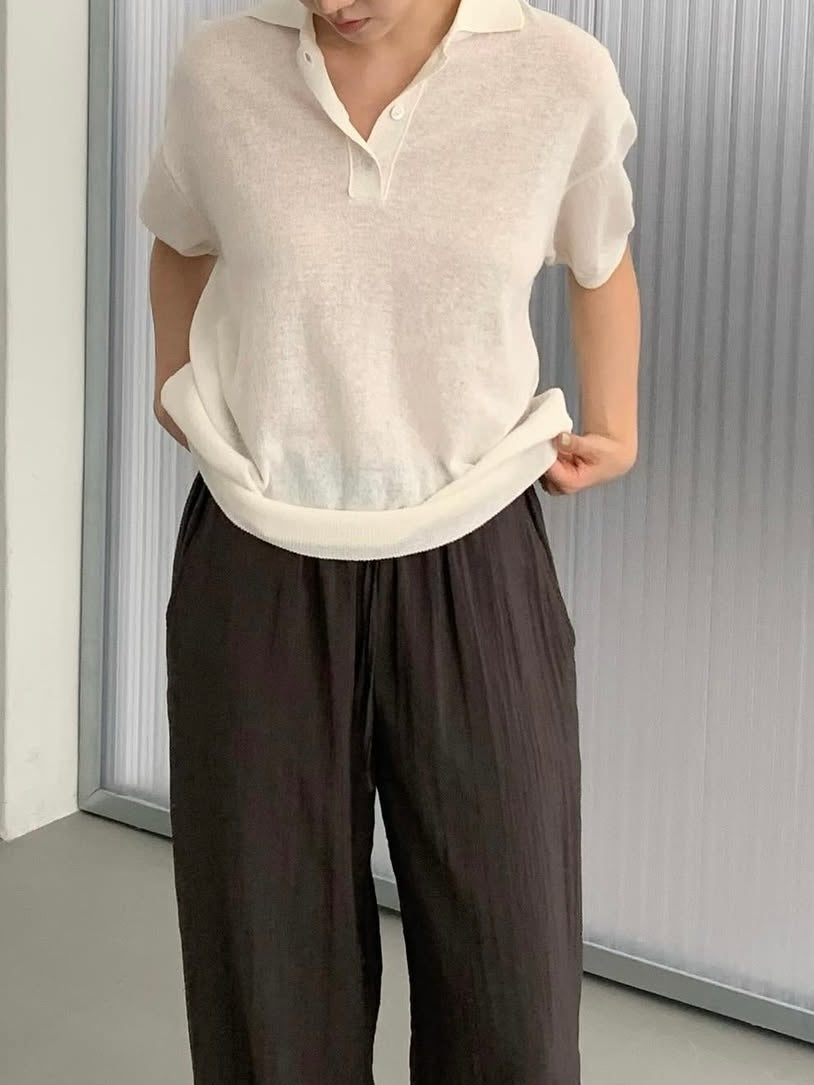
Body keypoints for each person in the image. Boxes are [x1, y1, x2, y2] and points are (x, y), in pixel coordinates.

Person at [139, 0, 641, 1081]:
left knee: (512, 990)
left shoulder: (558, 75)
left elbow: (600, 258)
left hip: (474, 556)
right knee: (267, 987)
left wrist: (618, 419)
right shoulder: (220, 72)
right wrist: (173, 380)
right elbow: (180, 239)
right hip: (257, 558)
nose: (336, 5)